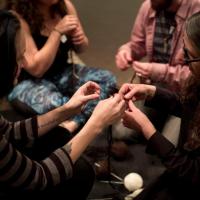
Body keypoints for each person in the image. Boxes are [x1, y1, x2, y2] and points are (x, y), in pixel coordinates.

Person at [0, 10, 126, 199]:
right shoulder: (21, 16)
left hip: (61, 74)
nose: (24, 64)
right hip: (36, 85)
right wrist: (95, 124)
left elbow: (10, 131)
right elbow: (38, 176)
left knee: (59, 136)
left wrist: (66, 110)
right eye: (19, 57)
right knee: (79, 173)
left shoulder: (63, 6)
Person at [119, 11, 200, 200]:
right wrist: (150, 91)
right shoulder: (196, 80)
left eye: (188, 54)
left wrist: (147, 129)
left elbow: (193, 172)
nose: (181, 58)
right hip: (181, 174)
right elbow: (189, 107)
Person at [3, 0, 117, 133]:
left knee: (106, 78)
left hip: (62, 72)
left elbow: (81, 48)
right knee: (58, 104)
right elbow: (36, 69)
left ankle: (73, 124)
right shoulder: (18, 15)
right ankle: (86, 122)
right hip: (27, 81)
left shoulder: (65, 6)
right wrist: (57, 32)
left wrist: (80, 40)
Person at [116, 0, 200, 92]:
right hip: (155, 88)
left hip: (188, 93)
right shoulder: (148, 6)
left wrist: (160, 72)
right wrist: (127, 51)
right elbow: (139, 44)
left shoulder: (197, 11)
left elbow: (196, 74)